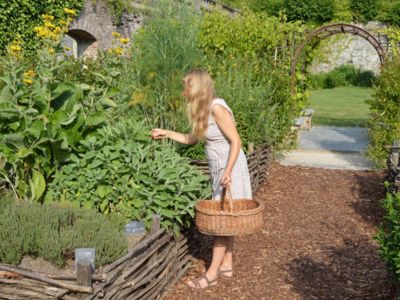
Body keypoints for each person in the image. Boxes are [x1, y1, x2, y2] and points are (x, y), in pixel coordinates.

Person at [151, 69, 252, 289]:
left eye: (186, 86)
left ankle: (212, 274)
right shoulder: (204, 110)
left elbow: (236, 141)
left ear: (196, 87)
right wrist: (166, 133)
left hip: (230, 167)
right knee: (228, 217)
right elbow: (192, 139)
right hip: (221, 168)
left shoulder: (216, 108)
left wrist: (227, 171)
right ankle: (226, 264)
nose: (183, 91)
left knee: (221, 222)